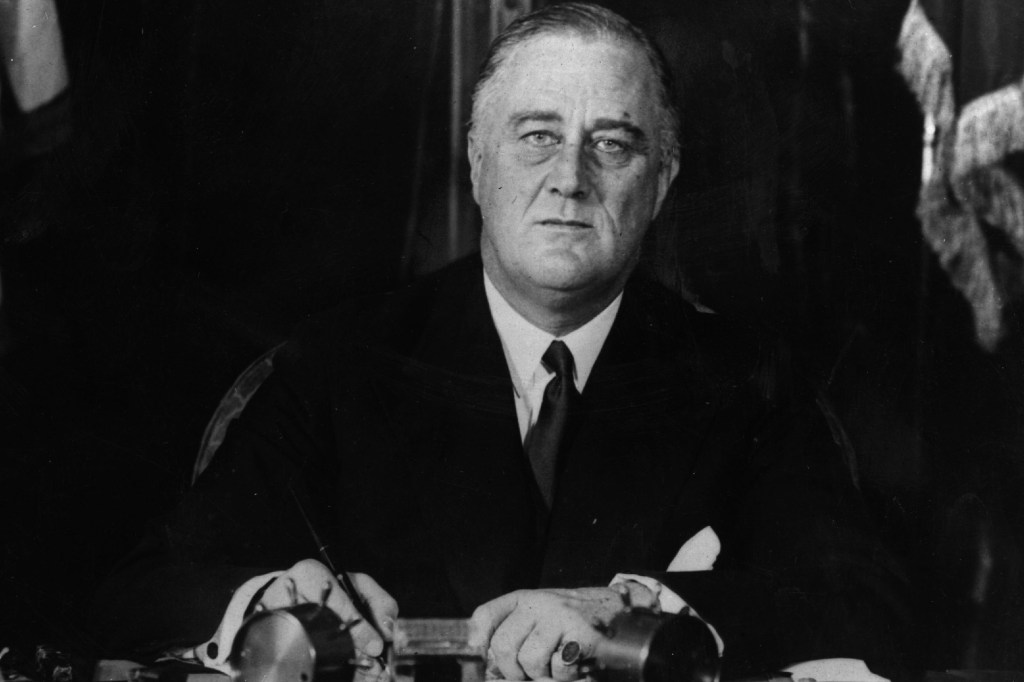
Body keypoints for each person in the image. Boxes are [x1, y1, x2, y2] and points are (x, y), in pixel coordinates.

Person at [94, 4, 907, 679]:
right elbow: (142, 591)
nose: (571, 178)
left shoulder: (740, 378)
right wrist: (269, 599)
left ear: (661, 184)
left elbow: (872, 604)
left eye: (613, 143)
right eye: (537, 136)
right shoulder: (340, 362)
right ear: (478, 163)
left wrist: (637, 610)